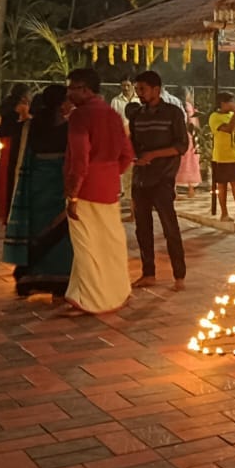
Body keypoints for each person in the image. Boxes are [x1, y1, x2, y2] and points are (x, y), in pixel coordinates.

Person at [64, 68, 133, 315]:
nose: (69, 92)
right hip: (109, 186)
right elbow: (127, 155)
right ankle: (108, 293)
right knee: (110, 243)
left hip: (85, 189)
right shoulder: (113, 115)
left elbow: (80, 159)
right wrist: (111, 174)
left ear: (85, 89)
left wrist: (73, 195)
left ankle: (93, 300)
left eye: (72, 87)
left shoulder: (79, 117)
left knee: (86, 247)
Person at [2, 86, 72, 297]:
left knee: (37, 231)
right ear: (61, 104)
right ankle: (59, 280)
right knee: (60, 233)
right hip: (58, 188)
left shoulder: (29, 127)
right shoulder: (69, 128)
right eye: (68, 100)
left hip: (34, 188)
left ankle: (28, 277)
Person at [127, 71, 188, 291]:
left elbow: (181, 146)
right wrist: (134, 157)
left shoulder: (173, 113)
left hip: (163, 178)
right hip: (140, 179)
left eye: (142, 89)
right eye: (137, 89)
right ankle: (148, 273)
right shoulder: (138, 116)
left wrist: (153, 155)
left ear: (156, 89)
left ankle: (179, 275)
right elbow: (132, 143)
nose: (139, 94)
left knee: (169, 227)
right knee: (142, 228)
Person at [0, 84, 32, 225]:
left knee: (5, 175)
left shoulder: (6, 105)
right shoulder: (21, 106)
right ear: (23, 95)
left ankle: (3, 209)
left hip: (6, 142)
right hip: (15, 143)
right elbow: (26, 121)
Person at [209, 92, 235, 221]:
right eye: (231, 102)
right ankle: (224, 214)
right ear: (223, 104)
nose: (233, 104)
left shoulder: (233, 116)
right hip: (221, 157)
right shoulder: (215, 117)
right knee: (222, 185)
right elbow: (228, 129)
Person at [110, 78, 138, 216]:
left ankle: (134, 213)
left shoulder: (139, 99)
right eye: (123, 86)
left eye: (128, 85)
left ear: (133, 85)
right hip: (123, 143)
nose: (126, 88)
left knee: (131, 182)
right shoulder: (115, 101)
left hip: (132, 152)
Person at [176, 88, 202, 196]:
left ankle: (175, 190)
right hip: (189, 135)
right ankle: (191, 189)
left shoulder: (175, 104)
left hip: (179, 135)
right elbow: (192, 123)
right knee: (191, 161)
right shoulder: (188, 106)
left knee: (179, 162)